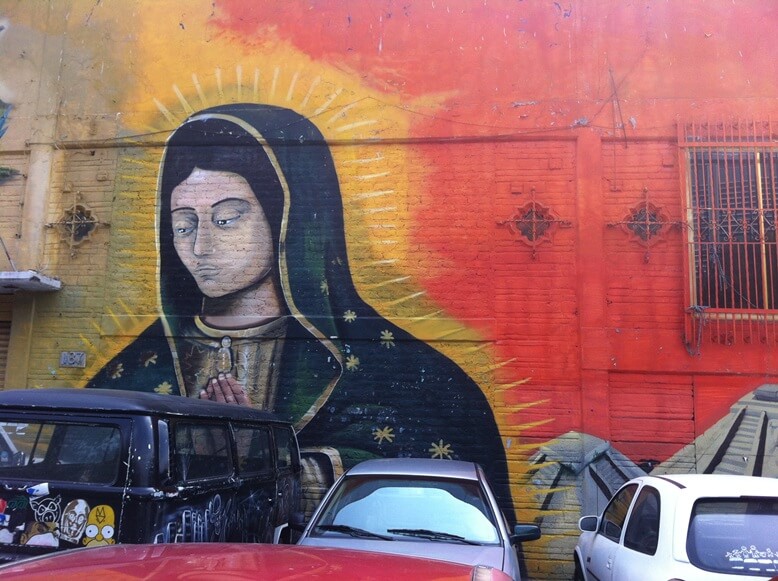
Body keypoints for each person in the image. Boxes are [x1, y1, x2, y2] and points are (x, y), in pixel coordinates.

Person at [86, 103, 515, 517]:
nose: (200, 247)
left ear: (288, 219)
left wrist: (258, 457)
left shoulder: (405, 375)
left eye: (226, 219)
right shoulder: (138, 369)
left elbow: (420, 484)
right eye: (183, 225)